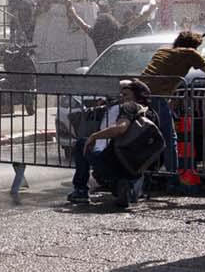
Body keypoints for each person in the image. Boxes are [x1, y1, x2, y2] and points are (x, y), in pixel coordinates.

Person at [69, 79, 160, 207]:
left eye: (126, 95)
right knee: (121, 176)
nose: (122, 98)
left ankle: (81, 191)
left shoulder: (130, 107)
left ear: (137, 95)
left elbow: (120, 128)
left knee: (82, 143)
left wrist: (95, 136)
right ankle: (126, 186)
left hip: (117, 160)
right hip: (138, 166)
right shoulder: (152, 113)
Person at [140, 30, 205, 172]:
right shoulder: (191, 53)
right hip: (156, 97)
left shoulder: (163, 50)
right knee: (169, 138)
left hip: (139, 92)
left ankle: (143, 175)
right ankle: (173, 177)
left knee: (144, 136)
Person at [90, 2, 155, 55]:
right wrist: (151, 6)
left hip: (101, 68)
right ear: (112, 23)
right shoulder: (119, 33)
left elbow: (83, 25)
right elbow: (138, 20)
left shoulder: (95, 35)